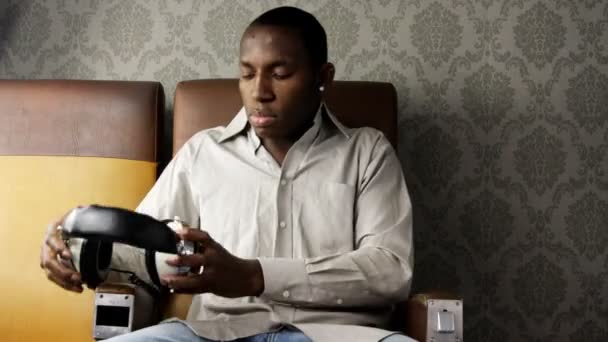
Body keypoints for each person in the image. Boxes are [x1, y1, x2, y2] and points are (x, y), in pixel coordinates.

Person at [40, 6, 414, 342]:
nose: (259, 92)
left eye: (280, 74)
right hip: (214, 335)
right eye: (247, 74)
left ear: (323, 77)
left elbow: (390, 271)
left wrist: (254, 275)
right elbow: (138, 255)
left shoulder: (367, 152)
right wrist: (75, 245)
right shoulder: (203, 153)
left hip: (336, 336)